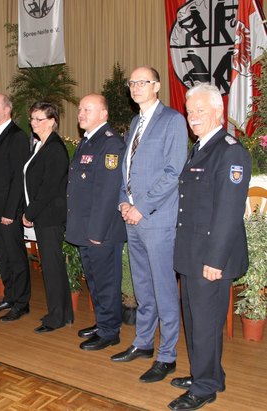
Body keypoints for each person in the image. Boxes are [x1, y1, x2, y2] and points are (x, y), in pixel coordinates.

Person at [168, 84, 251, 411]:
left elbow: (228, 213)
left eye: (201, 111)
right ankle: (208, 373)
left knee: (204, 324)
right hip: (192, 254)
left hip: (211, 258)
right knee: (197, 321)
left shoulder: (230, 151)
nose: (194, 117)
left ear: (218, 111)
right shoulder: (201, 147)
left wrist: (215, 260)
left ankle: (204, 388)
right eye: (190, 111)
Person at [111, 66, 188, 384]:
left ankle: (167, 356)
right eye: (132, 82)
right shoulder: (134, 122)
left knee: (164, 289)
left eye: (142, 81)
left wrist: (141, 207)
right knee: (143, 287)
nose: (135, 86)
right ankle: (143, 343)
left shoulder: (173, 121)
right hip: (133, 219)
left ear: (156, 86)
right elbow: (126, 171)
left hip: (157, 220)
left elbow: (173, 171)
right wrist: (123, 202)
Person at [66, 94, 126, 349]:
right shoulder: (88, 141)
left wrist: (97, 232)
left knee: (106, 281)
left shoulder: (110, 144)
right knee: (94, 279)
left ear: (104, 114)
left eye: (88, 110)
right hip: (85, 227)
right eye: (80, 110)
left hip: (100, 230)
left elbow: (107, 191)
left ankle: (110, 331)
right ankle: (103, 322)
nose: (81, 114)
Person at [22, 101, 73, 333]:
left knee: (51, 268)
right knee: (53, 266)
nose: (34, 123)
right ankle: (64, 313)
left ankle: (56, 318)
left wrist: (30, 212)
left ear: (52, 121)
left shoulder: (54, 148)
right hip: (44, 214)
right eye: (32, 118)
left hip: (49, 215)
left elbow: (48, 187)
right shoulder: (40, 145)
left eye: (39, 119)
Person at [0, 93, 31, 321]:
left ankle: (22, 303)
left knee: (16, 257)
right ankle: (9, 297)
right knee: (3, 256)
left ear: (7, 110)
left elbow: (18, 178)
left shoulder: (17, 136)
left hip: (8, 212)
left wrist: (10, 212)